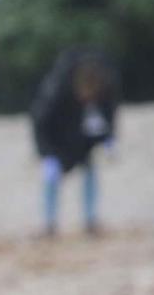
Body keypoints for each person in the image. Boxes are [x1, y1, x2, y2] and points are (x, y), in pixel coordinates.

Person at [30, 49, 118, 238]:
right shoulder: (55, 90)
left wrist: (108, 138)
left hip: (82, 139)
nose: (88, 98)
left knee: (89, 172)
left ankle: (90, 220)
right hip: (56, 138)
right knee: (51, 180)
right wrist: (45, 153)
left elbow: (108, 115)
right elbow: (39, 123)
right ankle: (49, 223)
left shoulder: (105, 87)